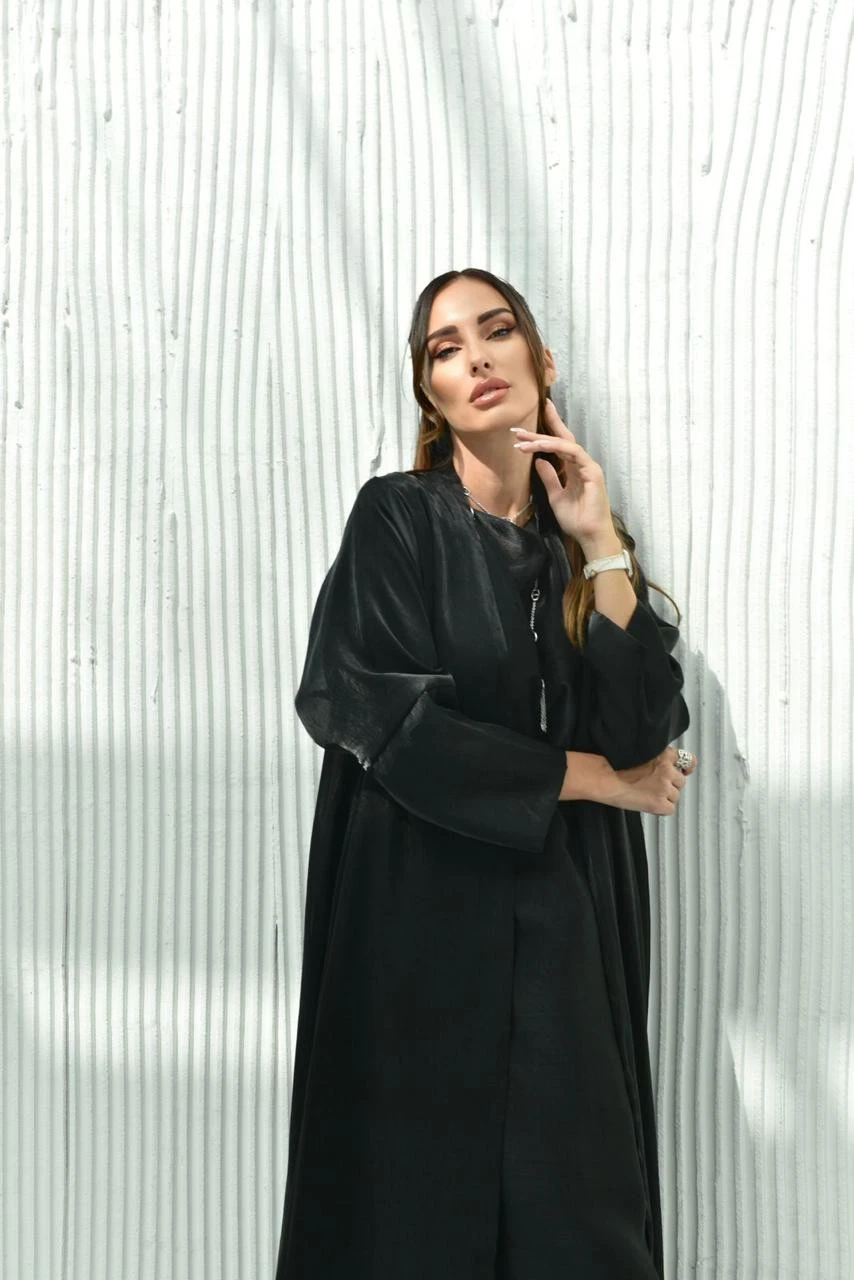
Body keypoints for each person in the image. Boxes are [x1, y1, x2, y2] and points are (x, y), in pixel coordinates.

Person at [275, 267, 696, 1280]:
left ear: (540, 361)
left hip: (562, 941)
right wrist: (595, 780)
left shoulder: (579, 557)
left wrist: (598, 540)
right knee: (411, 1226)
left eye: (495, 331)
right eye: (444, 348)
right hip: (421, 933)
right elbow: (380, 716)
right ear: (431, 394)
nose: (474, 357)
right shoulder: (395, 519)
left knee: (580, 1225)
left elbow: (644, 727)